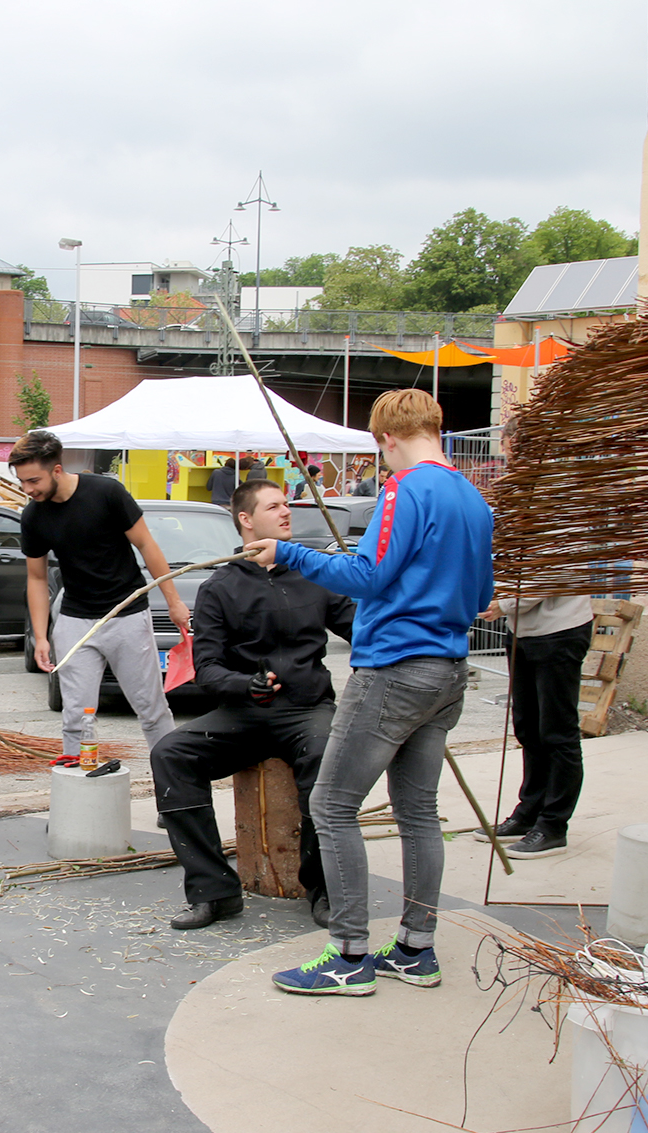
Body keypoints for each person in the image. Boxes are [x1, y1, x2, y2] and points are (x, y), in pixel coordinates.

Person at [244, 388, 493, 997]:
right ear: (436, 426)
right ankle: (416, 948)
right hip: (448, 671)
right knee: (416, 813)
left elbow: (368, 576)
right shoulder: (471, 497)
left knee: (330, 807)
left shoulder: (404, 490)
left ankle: (349, 954)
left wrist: (290, 552)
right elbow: (482, 596)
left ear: (384, 439)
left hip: (394, 671)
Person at [151, 479, 355, 930]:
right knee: (170, 754)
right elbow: (206, 669)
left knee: (325, 758)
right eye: (274, 506)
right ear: (246, 520)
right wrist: (246, 685)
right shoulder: (219, 587)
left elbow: (360, 629)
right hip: (244, 712)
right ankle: (214, 892)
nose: (287, 512)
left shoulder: (317, 571)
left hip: (308, 711)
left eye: (287, 504)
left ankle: (322, 889)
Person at [11, 430, 190, 755]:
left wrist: (174, 601)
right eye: (22, 482)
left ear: (56, 469)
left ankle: (174, 789)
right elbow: (36, 579)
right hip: (75, 620)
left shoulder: (106, 492)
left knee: (151, 709)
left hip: (128, 615)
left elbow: (147, 545)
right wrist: (41, 636)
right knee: (76, 716)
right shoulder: (33, 516)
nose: (28, 489)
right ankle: (80, 793)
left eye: (33, 480)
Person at [475, 594, 594, 858]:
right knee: (528, 728)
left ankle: (553, 826)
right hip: (521, 631)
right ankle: (528, 813)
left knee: (558, 733)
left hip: (559, 631)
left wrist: (504, 605)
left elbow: (546, 578)